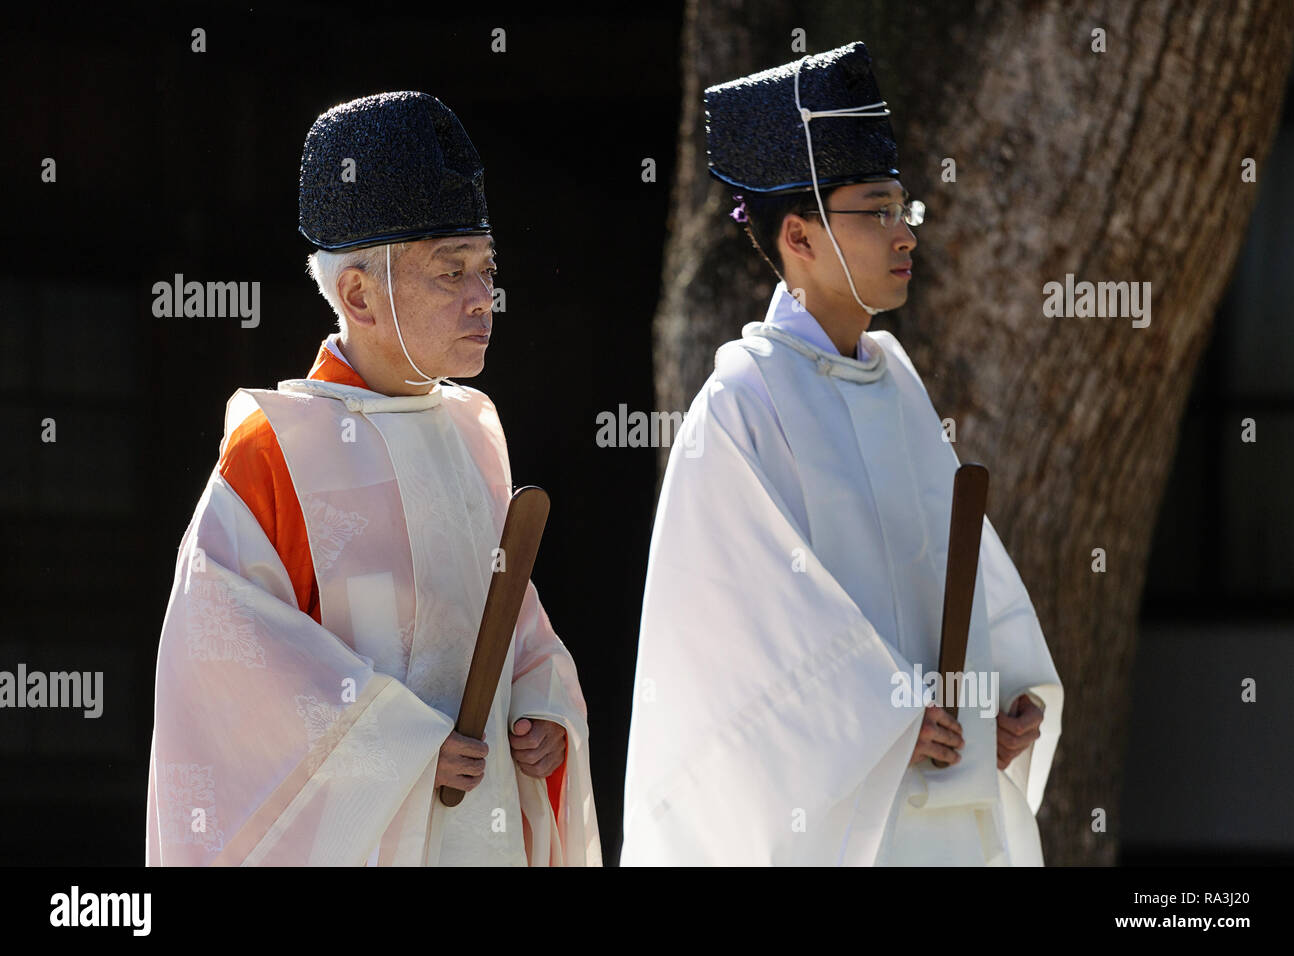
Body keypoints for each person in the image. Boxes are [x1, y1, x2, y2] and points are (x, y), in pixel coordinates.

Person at [621, 42, 1062, 866]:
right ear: (799, 235)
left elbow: (956, 573)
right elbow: (735, 641)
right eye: (875, 211)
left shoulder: (894, 379)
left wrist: (1003, 696)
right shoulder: (741, 404)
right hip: (831, 812)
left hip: (939, 793)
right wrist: (889, 710)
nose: (904, 235)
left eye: (905, 209)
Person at [146, 91, 601, 866]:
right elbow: (227, 690)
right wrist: (408, 748)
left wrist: (544, 708)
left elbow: (516, 625)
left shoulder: (470, 434)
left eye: (485, 268)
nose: (481, 297)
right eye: (449, 271)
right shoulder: (273, 453)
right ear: (358, 294)